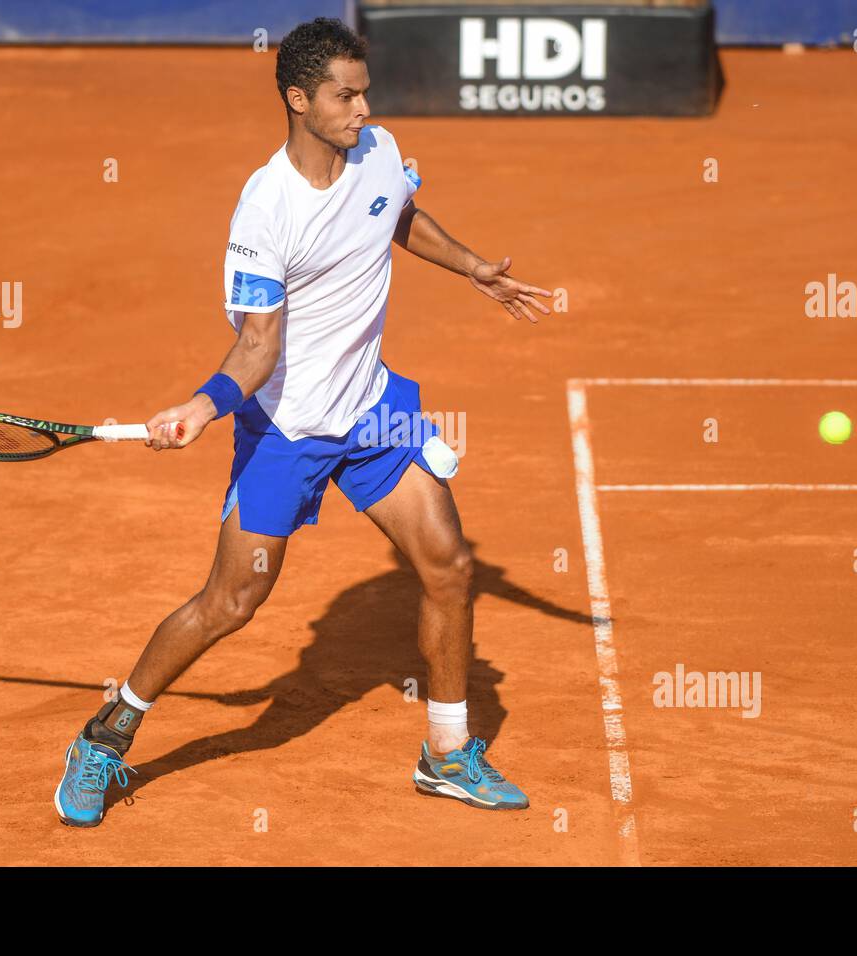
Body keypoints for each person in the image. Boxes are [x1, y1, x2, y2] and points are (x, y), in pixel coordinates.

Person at [55, 17, 552, 828]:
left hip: (373, 412)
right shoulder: (265, 213)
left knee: (451, 567)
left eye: (364, 91)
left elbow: (394, 214)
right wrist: (202, 406)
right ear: (297, 99)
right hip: (287, 429)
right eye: (344, 96)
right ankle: (106, 737)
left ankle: (448, 753)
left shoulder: (379, 150)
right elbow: (256, 348)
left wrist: (472, 269)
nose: (363, 108)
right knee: (231, 602)